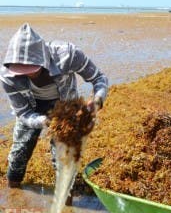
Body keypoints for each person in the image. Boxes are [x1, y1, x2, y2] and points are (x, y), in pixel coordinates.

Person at [0, 23, 108, 197]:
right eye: (22, 70)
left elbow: (98, 78)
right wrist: (44, 121)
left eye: (32, 69)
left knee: (63, 155)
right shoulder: (8, 76)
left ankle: (66, 199)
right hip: (32, 107)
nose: (28, 74)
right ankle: (13, 191)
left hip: (64, 105)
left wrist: (98, 100)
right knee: (20, 150)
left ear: (43, 59)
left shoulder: (68, 55)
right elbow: (23, 113)